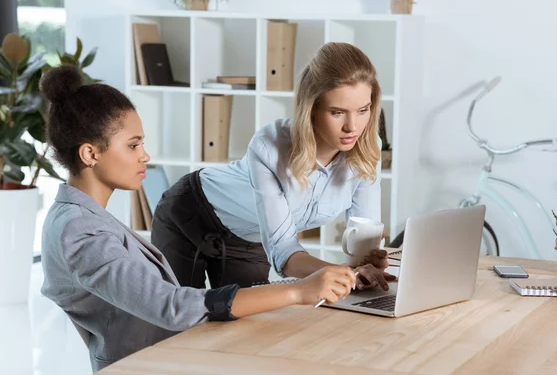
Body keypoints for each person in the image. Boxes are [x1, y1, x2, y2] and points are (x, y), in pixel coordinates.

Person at [39, 65, 357, 373]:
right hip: (142, 367)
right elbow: (172, 307)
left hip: (168, 357)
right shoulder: (79, 230)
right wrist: (297, 291)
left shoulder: (85, 219)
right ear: (90, 154)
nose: (145, 155)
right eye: (133, 145)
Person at [151, 42, 395, 293]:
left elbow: (364, 231)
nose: (352, 127)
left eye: (363, 110)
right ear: (311, 109)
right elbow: (285, 252)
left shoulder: (368, 147)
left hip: (252, 240)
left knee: (249, 327)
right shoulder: (269, 147)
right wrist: (345, 275)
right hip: (191, 214)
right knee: (183, 320)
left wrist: (366, 265)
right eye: (337, 112)